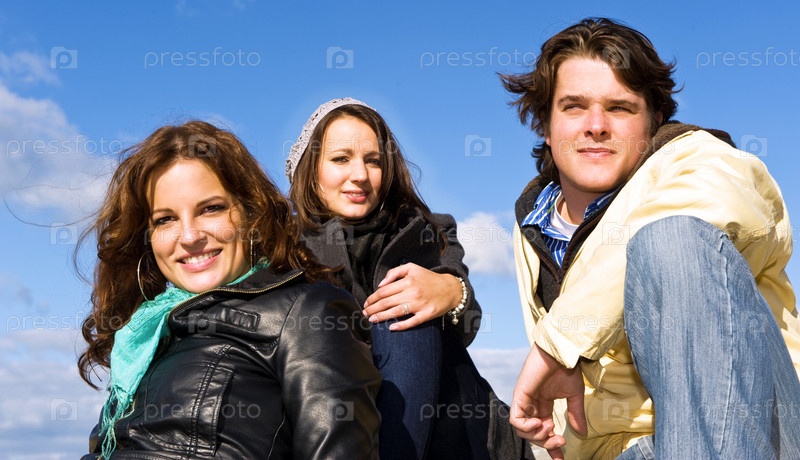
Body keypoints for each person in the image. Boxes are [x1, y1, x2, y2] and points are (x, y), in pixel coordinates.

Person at [501, 17, 800, 459]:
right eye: (574, 107)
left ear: (654, 121)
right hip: (613, 452)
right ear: (546, 125)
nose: (596, 125)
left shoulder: (701, 161)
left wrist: (559, 342)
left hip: (757, 433)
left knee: (672, 239)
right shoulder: (532, 225)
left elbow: (702, 208)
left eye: (619, 108)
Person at [77, 120, 381, 459]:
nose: (189, 236)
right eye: (165, 219)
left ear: (251, 212)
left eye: (211, 209)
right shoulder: (146, 335)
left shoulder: (306, 311)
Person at [286, 98, 531, 460]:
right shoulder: (288, 253)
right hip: (343, 431)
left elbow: (468, 324)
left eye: (373, 161)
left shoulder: (427, 231)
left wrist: (454, 291)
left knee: (403, 306)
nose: (360, 174)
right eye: (341, 159)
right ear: (310, 170)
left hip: (458, 430)